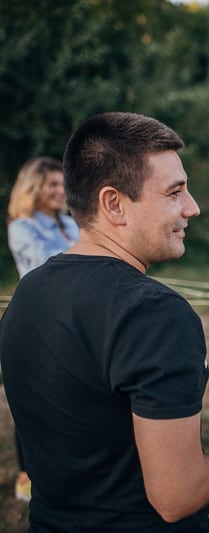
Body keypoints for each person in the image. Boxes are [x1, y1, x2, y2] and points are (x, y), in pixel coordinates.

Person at [0, 112, 209, 531]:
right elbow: (176, 497)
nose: (193, 208)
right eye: (174, 192)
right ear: (114, 204)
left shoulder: (28, 292)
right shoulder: (155, 314)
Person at [6, 156, 79, 503]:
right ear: (33, 187)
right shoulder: (23, 227)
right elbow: (52, 264)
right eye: (52, 184)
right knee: (34, 399)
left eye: (62, 183)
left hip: (76, 317)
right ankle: (27, 474)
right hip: (39, 321)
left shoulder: (71, 223)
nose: (60, 190)